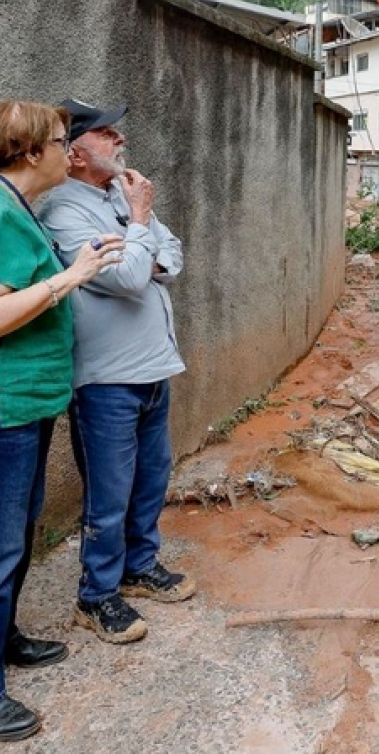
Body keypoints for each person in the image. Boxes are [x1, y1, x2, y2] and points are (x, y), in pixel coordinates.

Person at [38, 100, 195, 647]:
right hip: (105, 379)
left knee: (151, 478)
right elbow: (129, 279)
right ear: (76, 154)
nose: (120, 137)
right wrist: (143, 225)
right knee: (109, 493)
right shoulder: (64, 212)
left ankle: (138, 566)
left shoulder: (117, 199)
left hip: (153, 366)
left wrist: (140, 243)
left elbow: (170, 257)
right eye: (106, 132)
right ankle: (97, 595)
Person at [0, 100, 124, 741]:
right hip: (7, 408)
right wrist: (70, 277)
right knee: (1, 546)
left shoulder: (18, 209)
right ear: (29, 153)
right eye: (57, 139)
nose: (66, 147)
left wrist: (74, 266)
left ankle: (8, 639)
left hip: (32, 404)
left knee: (16, 536)